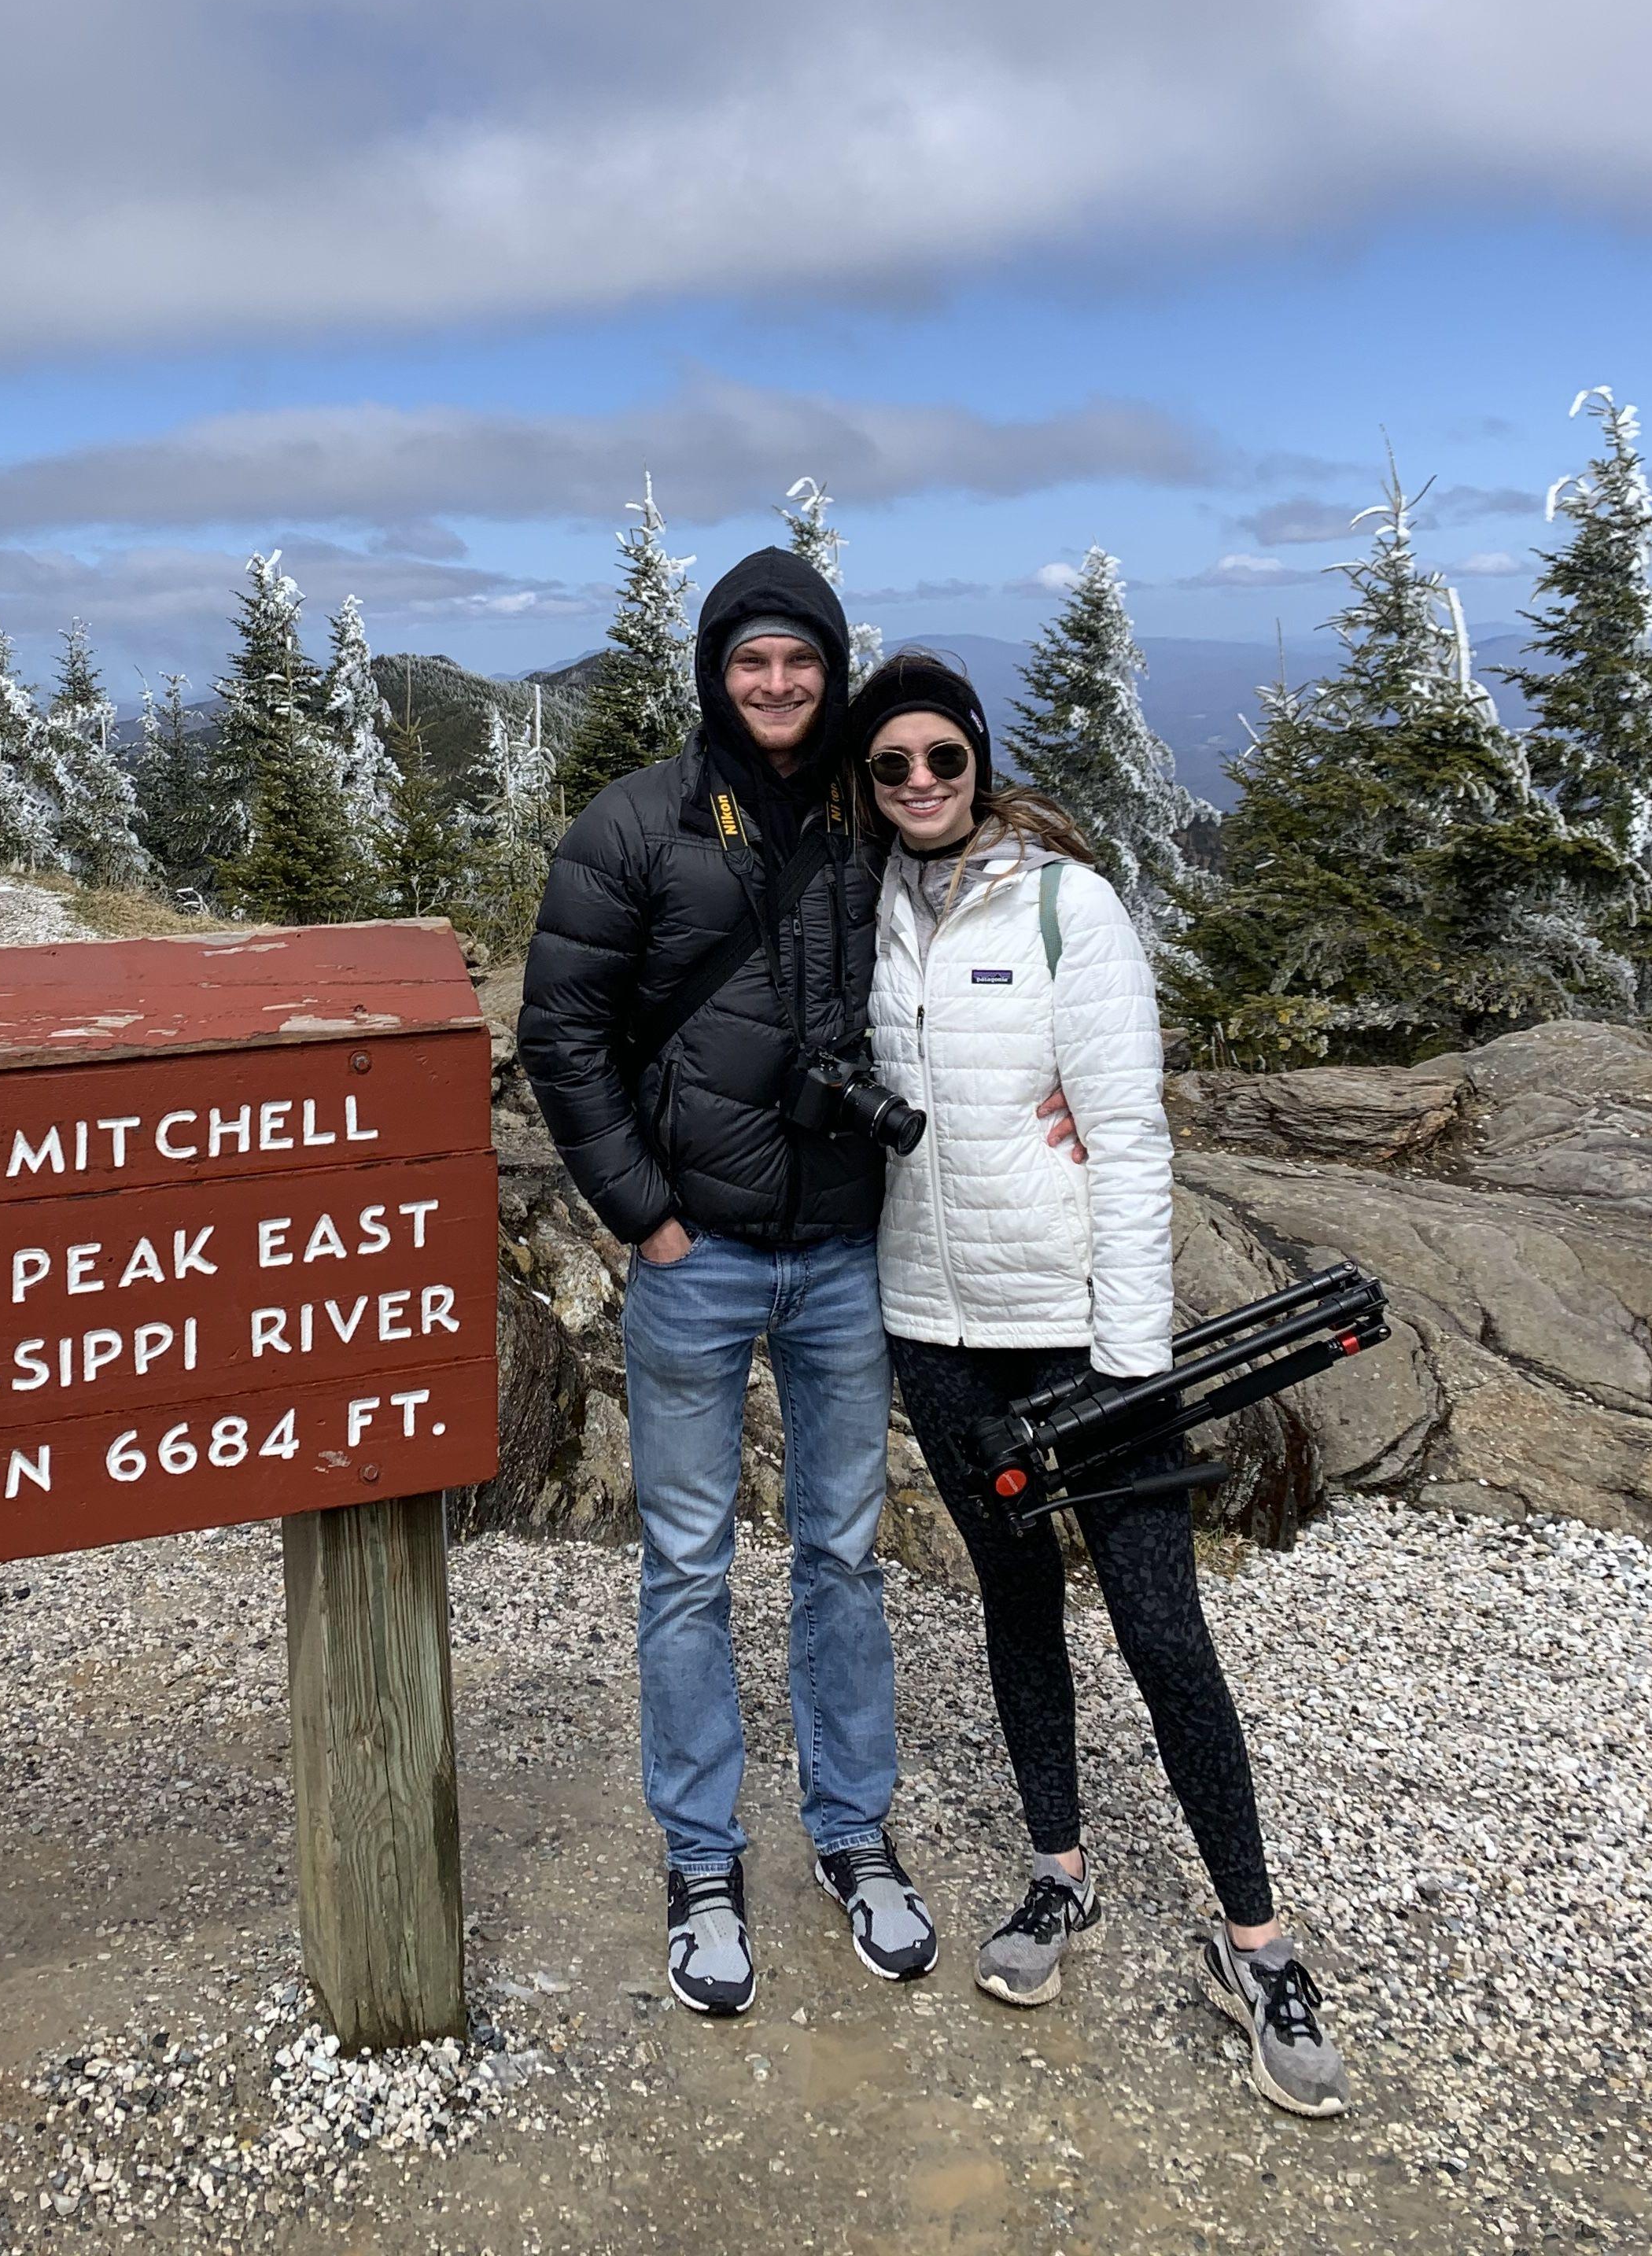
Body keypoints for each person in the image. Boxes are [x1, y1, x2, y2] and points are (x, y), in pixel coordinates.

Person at [849, 648, 1349, 2118]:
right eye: (893, 765)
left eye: (944, 758)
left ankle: (1257, 1942)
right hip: (931, 1322)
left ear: (978, 761)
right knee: (1014, 1599)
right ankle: (1057, 1870)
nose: (922, 783)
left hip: (1075, 1327)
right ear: (869, 785)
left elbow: (1130, 1139)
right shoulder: (864, 908)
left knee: (1158, 1621)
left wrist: (1134, 1353)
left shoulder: (1069, 906)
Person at [518, 547, 936, 2017]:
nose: (777, 683)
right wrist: (646, 1217)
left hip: (843, 1252)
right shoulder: (634, 822)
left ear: (832, 669)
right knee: (689, 1565)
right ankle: (702, 1857)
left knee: (843, 1555)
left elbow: (979, 930)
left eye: (800, 660)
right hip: (698, 1257)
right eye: (751, 659)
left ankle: (852, 1829)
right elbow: (560, 1032)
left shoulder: (873, 810)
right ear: (715, 670)